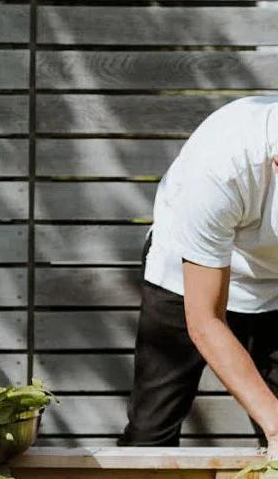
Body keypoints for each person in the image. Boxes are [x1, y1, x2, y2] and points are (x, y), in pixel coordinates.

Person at [118, 96, 278, 458]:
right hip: (186, 277)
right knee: (150, 436)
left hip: (275, 283)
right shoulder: (221, 166)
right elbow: (205, 321)